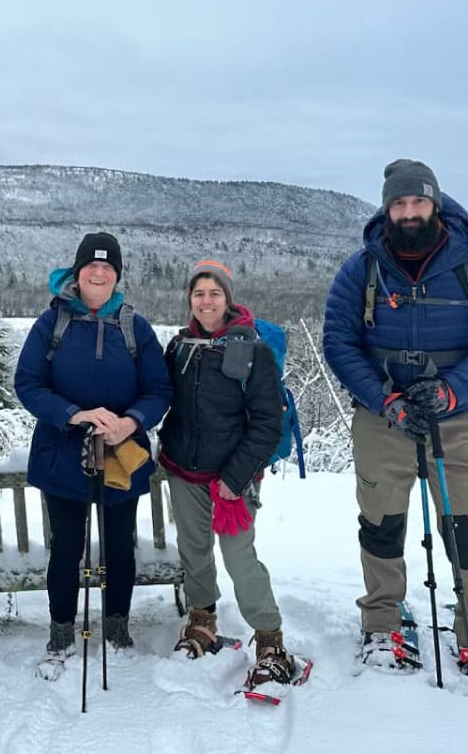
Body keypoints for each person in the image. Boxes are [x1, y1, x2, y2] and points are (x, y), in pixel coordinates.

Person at [322, 159, 468, 681]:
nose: (409, 213)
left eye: (418, 202)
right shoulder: (361, 267)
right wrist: (384, 400)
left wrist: (454, 390)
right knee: (381, 525)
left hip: (457, 417)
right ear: (386, 208)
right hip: (382, 416)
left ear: (435, 203)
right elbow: (339, 343)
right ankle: (383, 622)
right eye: (399, 204)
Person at [14, 231, 172, 675]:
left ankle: (117, 624)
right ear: (77, 272)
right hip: (61, 454)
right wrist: (74, 414)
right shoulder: (53, 323)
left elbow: (159, 388)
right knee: (66, 547)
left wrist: (132, 420)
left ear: (117, 275)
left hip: (122, 454)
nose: (99, 273)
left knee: (120, 546)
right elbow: (28, 384)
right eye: (91, 266)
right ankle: (62, 627)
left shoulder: (134, 325)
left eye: (107, 267)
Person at [157, 259, 292, 686]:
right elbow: (164, 399)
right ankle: (202, 619)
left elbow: (268, 423)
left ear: (228, 298)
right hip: (183, 470)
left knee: (239, 558)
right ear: (189, 300)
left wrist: (235, 479)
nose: (206, 301)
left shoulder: (253, 350)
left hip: (232, 478)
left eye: (215, 293)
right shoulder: (180, 346)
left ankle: (269, 635)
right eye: (199, 294)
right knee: (194, 551)